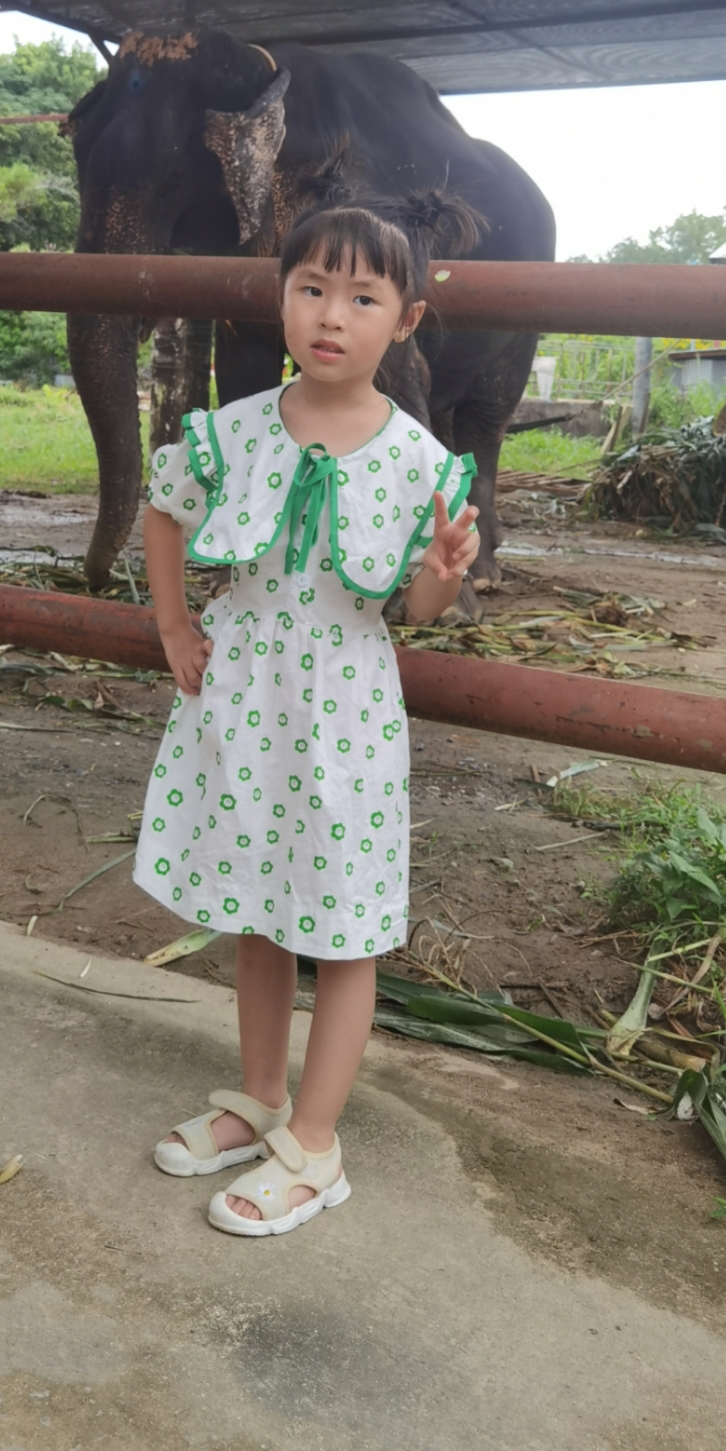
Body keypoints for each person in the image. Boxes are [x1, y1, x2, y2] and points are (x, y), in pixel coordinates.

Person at [135, 198, 480, 1237]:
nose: (332, 314)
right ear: (282, 296)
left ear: (403, 320)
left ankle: (317, 1144)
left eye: (361, 296)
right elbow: (163, 510)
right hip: (243, 700)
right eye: (311, 287)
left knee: (341, 926)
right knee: (254, 904)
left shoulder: (420, 460)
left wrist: (438, 577)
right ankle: (261, 1098)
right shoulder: (234, 429)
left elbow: (411, 614)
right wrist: (174, 626)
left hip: (345, 715)